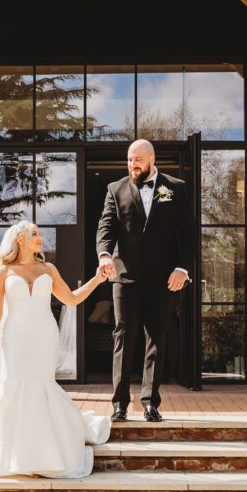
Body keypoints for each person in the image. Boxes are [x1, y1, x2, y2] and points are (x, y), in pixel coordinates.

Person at [0, 220, 111, 478]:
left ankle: (44, 450)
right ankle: (22, 455)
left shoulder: (48, 268)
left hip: (45, 336)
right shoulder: (3, 271)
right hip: (14, 337)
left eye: (38, 233)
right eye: (34, 233)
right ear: (20, 239)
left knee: (42, 385)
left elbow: (71, 299)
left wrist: (96, 279)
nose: (39, 237)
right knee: (18, 387)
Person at [96, 139, 194, 422]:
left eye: (138, 159)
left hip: (164, 279)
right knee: (123, 338)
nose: (132, 164)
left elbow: (188, 234)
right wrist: (104, 255)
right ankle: (120, 404)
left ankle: (151, 402)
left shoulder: (176, 188)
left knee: (157, 339)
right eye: (129, 159)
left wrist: (182, 268)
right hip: (126, 277)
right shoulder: (115, 190)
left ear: (152, 158)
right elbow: (106, 227)